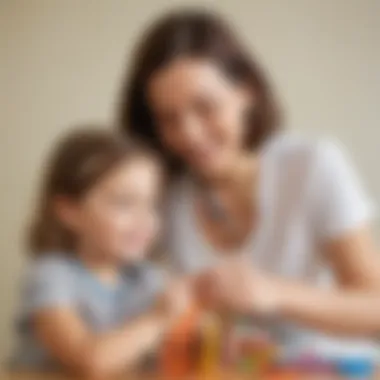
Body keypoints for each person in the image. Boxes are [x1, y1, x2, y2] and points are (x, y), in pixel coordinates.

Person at [119, 9, 380, 347]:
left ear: (247, 91)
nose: (190, 135)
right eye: (169, 119)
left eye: (205, 107)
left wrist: (274, 293)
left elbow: (374, 308)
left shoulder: (312, 166)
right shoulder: (161, 195)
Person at [11, 127, 190, 377]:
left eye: (151, 204)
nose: (144, 220)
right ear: (70, 211)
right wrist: (160, 318)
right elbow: (90, 362)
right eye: (124, 203)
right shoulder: (51, 276)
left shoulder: (147, 278)